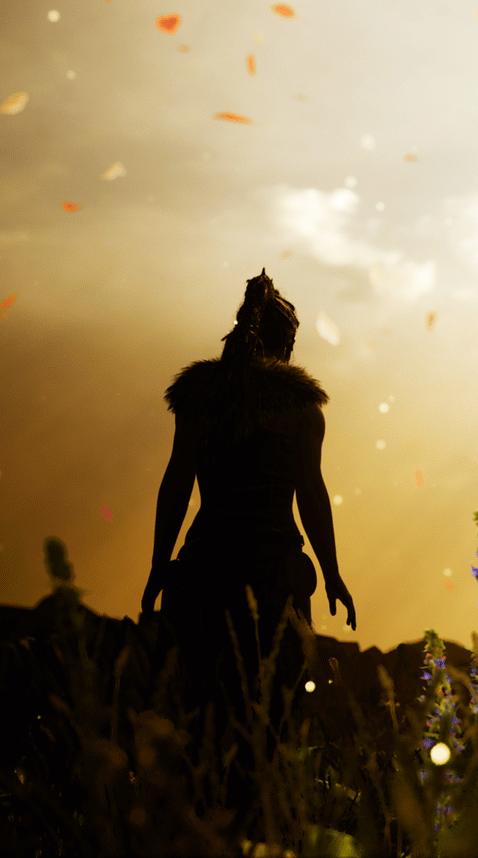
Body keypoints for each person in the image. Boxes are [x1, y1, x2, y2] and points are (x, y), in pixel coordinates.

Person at [140, 270, 356, 723]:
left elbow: (177, 483)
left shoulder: (201, 398)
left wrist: (161, 566)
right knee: (273, 714)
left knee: (198, 714)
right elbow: (310, 494)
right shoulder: (300, 408)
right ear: (287, 343)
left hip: (204, 568)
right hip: (273, 575)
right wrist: (332, 573)